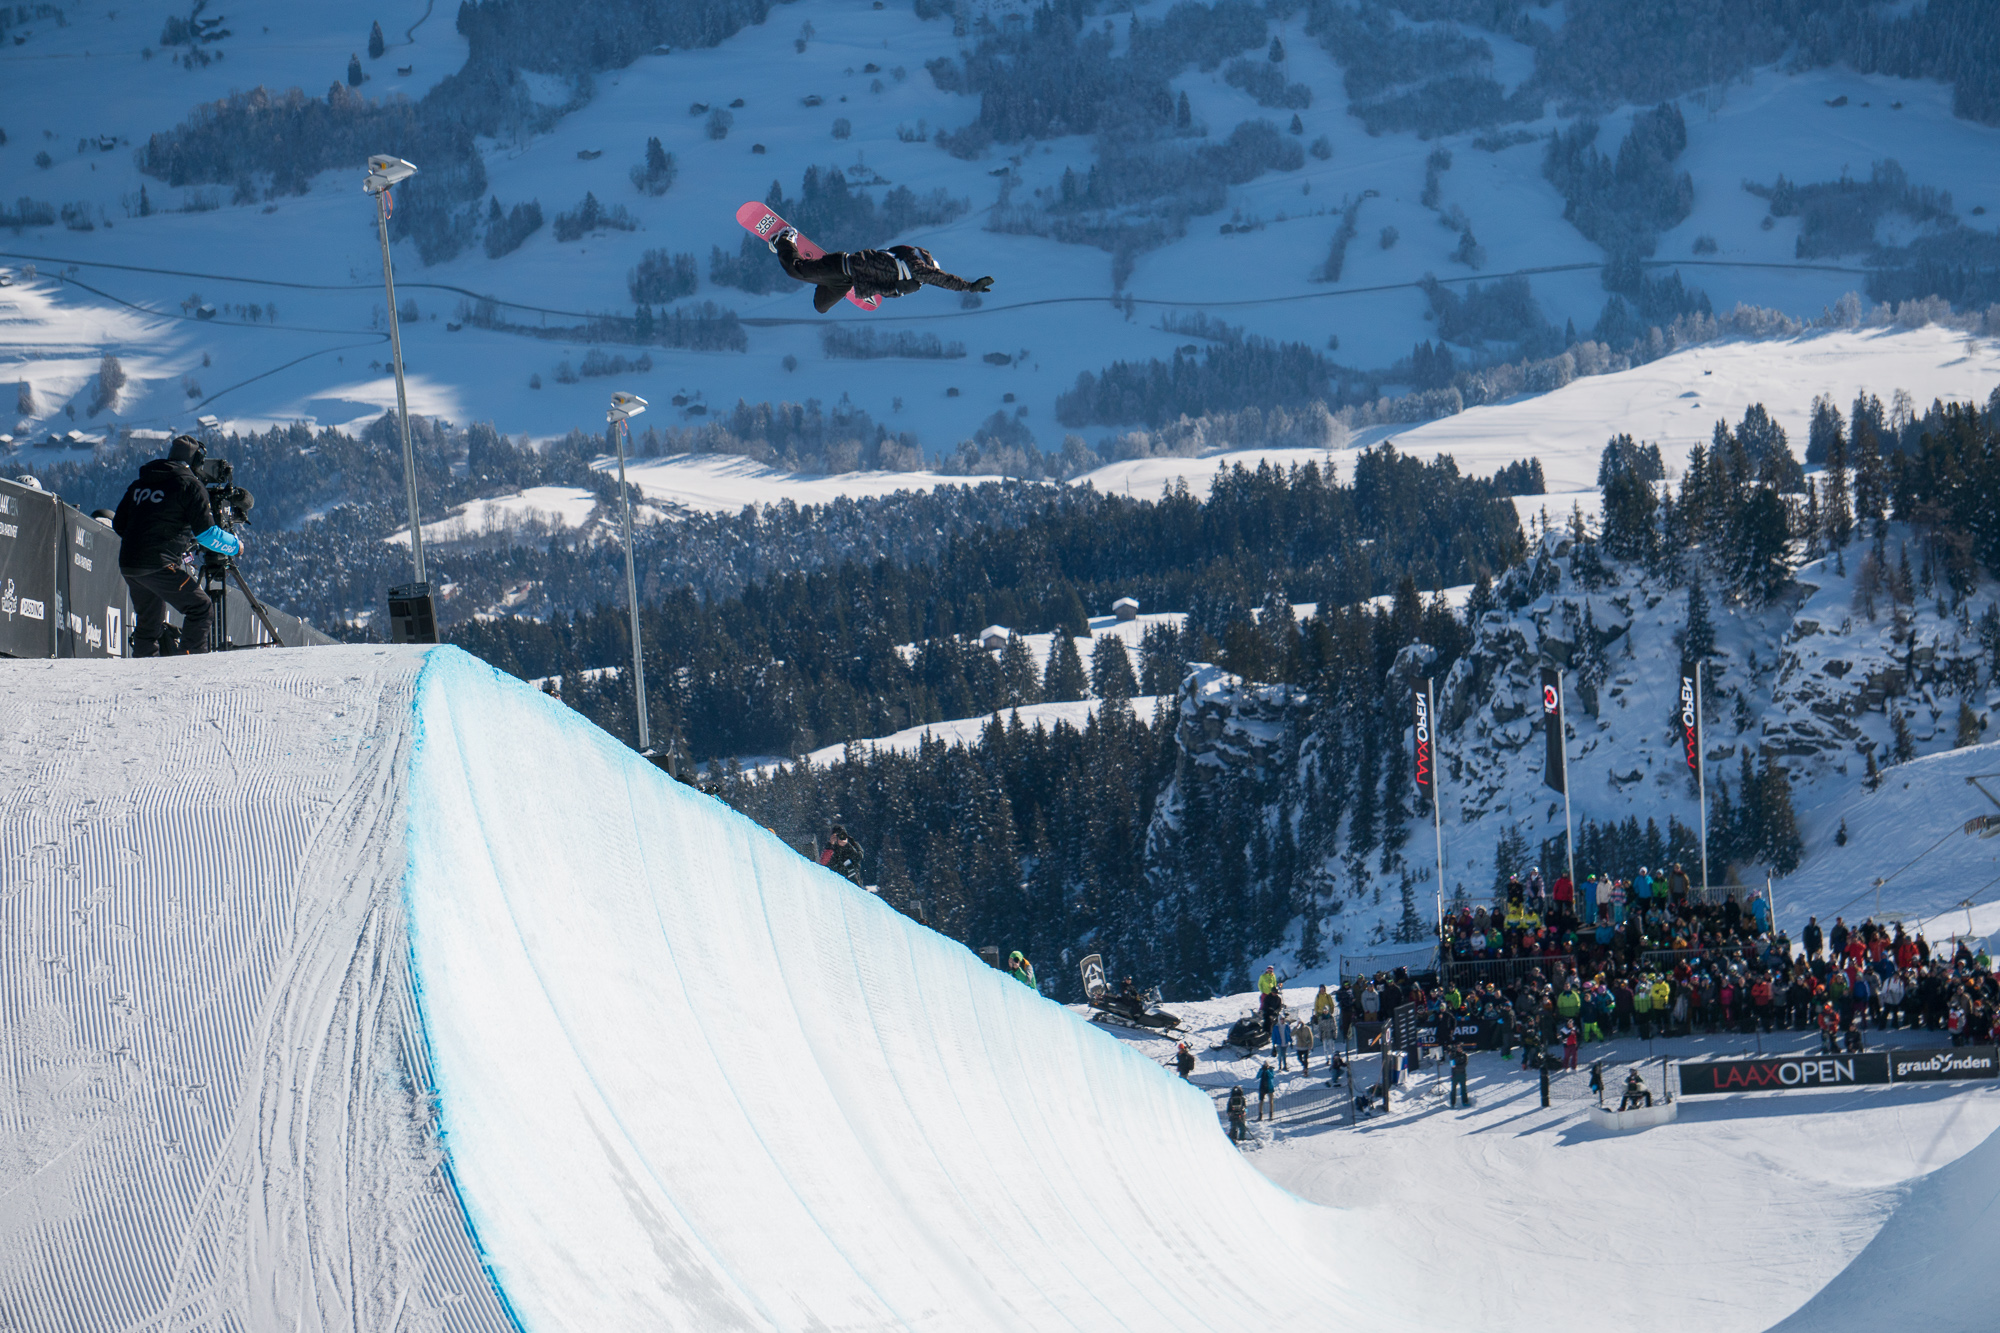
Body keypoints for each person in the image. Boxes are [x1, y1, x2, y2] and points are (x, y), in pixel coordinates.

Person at [112, 434, 240, 656]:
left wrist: (152, 538)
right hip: (159, 565)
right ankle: (188, 665)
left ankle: (143, 666)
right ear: (197, 461)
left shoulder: (140, 484)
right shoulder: (190, 485)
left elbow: (119, 524)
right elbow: (208, 535)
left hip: (130, 564)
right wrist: (236, 546)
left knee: (149, 622)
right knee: (201, 608)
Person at [768, 228, 993, 314]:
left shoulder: (909, 279)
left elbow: (885, 289)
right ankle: (785, 239)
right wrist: (968, 286)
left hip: (846, 281)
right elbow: (939, 279)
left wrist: (884, 291)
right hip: (841, 266)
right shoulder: (913, 263)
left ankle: (818, 274)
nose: (925, 279)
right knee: (795, 271)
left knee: (821, 306)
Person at [1448, 1043, 1471, 1108]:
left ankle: (1465, 1102)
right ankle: (1452, 1103)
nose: (1459, 1049)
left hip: (1462, 1074)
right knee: (1453, 1089)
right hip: (1455, 1075)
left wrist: (1457, 1066)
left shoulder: (1464, 1055)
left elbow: (1464, 1065)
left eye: (1460, 1048)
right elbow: (1452, 1065)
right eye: (1457, 1048)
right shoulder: (1453, 1055)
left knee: (1464, 1089)